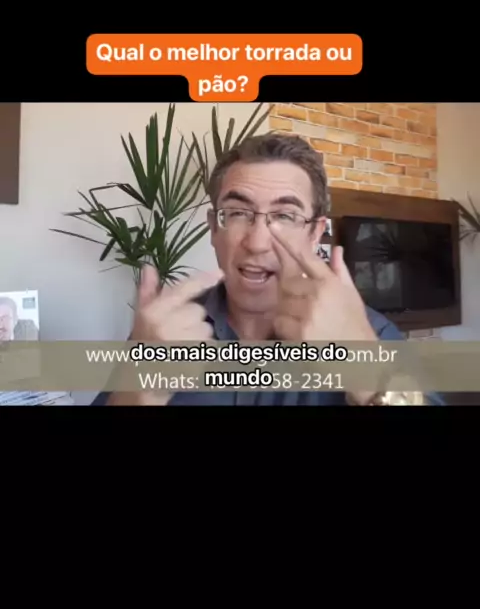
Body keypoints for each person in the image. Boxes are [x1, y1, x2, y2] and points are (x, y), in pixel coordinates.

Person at [93, 133, 443, 406]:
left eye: (285, 216)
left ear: (315, 233)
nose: (258, 242)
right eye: (238, 213)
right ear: (214, 228)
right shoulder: (165, 330)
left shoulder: (368, 333)